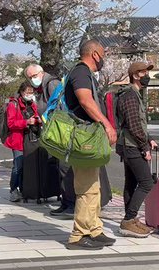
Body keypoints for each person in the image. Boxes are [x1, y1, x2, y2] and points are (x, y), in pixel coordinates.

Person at [64, 39, 117, 250]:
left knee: (94, 187)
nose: (104, 59)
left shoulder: (83, 73)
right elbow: (85, 100)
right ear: (95, 54)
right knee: (86, 188)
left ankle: (94, 229)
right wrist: (107, 125)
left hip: (87, 138)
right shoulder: (80, 72)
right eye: (103, 54)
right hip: (83, 139)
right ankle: (79, 235)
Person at [25, 63, 75, 218]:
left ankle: (71, 204)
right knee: (60, 168)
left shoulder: (52, 84)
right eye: (30, 77)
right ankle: (66, 202)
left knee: (65, 168)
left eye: (33, 76)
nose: (32, 80)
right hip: (54, 132)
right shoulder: (44, 86)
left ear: (41, 73)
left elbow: (59, 107)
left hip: (61, 132)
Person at [118, 61, 157, 238]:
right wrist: (144, 146)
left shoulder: (134, 94)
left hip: (129, 144)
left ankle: (130, 220)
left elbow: (136, 124)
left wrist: (149, 139)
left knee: (132, 183)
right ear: (135, 75)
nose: (147, 76)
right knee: (146, 182)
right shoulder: (130, 96)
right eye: (143, 73)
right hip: (132, 145)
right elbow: (133, 125)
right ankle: (128, 219)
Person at [4, 82, 41, 202]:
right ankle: (13, 190)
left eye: (31, 92)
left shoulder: (32, 104)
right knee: (18, 166)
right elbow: (11, 123)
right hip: (18, 139)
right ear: (21, 92)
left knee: (28, 166)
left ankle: (24, 189)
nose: (30, 95)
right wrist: (26, 122)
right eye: (27, 93)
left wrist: (38, 120)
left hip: (30, 139)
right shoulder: (13, 104)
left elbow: (36, 116)